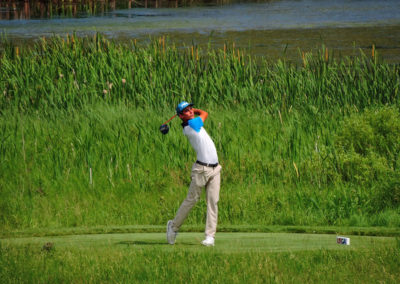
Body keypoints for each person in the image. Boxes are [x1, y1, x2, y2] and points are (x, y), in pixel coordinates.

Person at [167, 101, 222, 246]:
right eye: (186, 111)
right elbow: (204, 113)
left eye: (191, 109)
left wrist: (190, 110)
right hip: (201, 170)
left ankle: (210, 237)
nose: (191, 111)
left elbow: (203, 114)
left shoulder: (192, 122)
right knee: (192, 200)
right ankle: (173, 227)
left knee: (213, 202)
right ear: (180, 116)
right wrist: (196, 110)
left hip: (215, 169)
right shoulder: (190, 126)